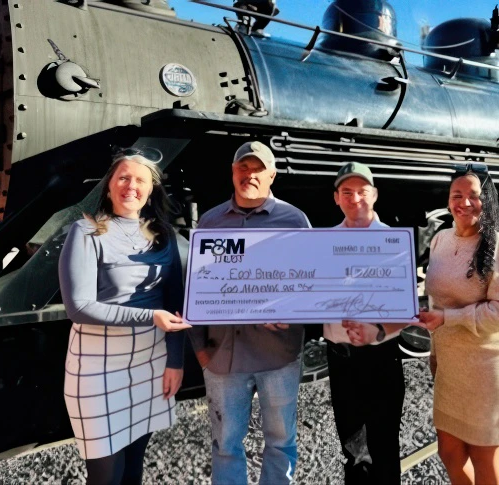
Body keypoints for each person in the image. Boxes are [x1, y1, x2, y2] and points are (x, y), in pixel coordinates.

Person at [59, 147, 191, 485]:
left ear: (151, 190)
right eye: (123, 177)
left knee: (134, 466)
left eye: (140, 180)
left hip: (150, 361)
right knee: (105, 475)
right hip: (97, 365)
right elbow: (78, 306)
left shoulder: (164, 236)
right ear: (109, 186)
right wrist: (151, 317)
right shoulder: (86, 232)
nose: (131, 186)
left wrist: (175, 361)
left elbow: (175, 302)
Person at [189, 141, 311, 485]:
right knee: (225, 444)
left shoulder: (294, 219)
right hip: (223, 357)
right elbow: (196, 289)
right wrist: (200, 349)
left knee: (280, 440)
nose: (250, 175)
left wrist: (292, 310)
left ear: (272, 174)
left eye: (258, 169)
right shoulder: (211, 222)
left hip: (278, 356)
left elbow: (311, 282)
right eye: (243, 167)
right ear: (233, 172)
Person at [416, 165, 499, 485]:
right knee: (449, 453)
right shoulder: (439, 241)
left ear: (487, 201)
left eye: (473, 196)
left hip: (489, 367)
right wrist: (435, 355)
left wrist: (448, 319)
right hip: (452, 369)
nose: (464, 203)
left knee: (484, 459)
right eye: (457, 195)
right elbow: (438, 302)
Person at [324, 162, 407, 484]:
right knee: (353, 450)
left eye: (362, 191)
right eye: (347, 192)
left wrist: (380, 329)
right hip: (341, 360)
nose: (355, 197)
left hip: (380, 359)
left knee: (384, 448)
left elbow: (406, 310)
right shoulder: (322, 242)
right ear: (336, 198)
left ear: (374, 194)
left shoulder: (392, 242)